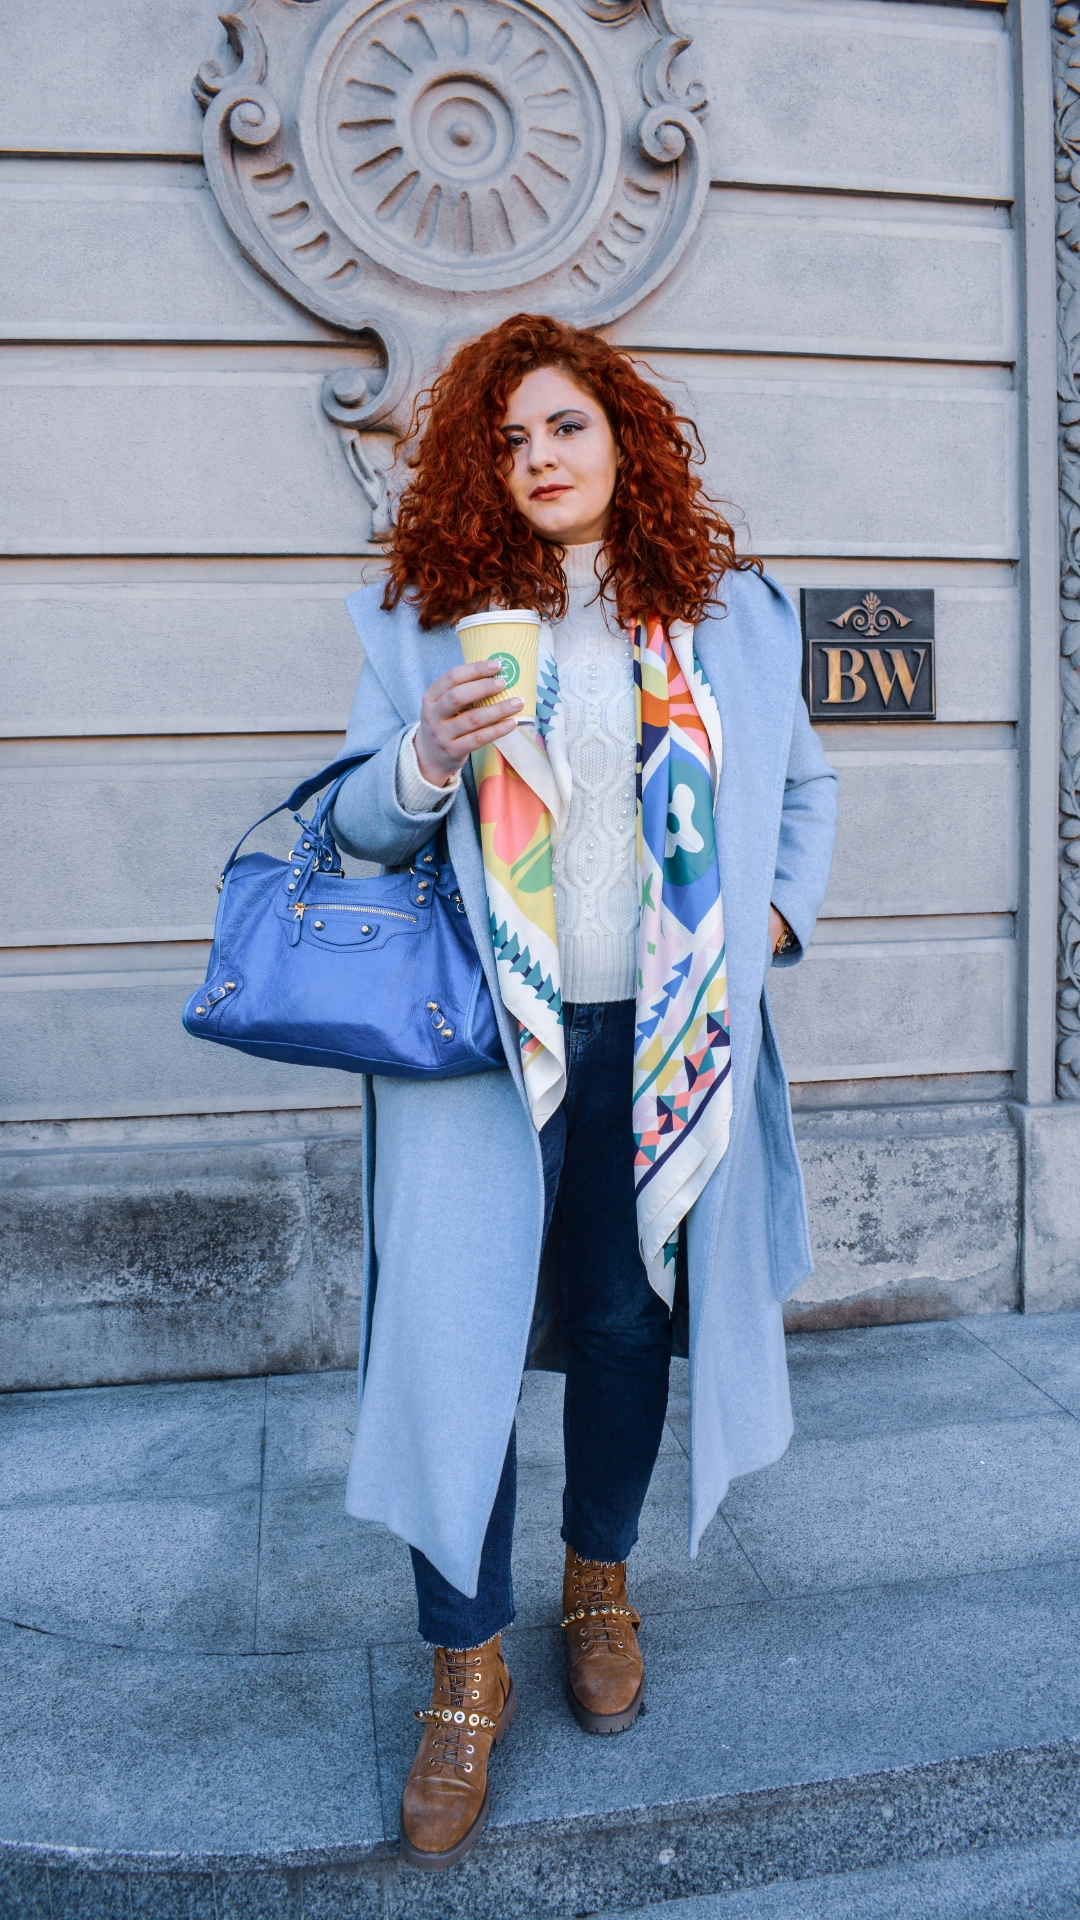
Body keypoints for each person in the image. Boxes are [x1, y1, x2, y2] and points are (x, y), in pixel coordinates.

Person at [329, 312, 837, 1870]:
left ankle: (597, 1584)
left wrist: (765, 927)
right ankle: (462, 1668)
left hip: (664, 1040)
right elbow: (356, 831)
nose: (540, 457)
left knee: (624, 1323)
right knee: (458, 1347)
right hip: (488, 1053)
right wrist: (424, 756)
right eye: (508, 440)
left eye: (565, 425)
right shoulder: (427, 623)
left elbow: (805, 789)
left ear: (623, 437)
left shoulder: (728, 615)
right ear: (475, 471)